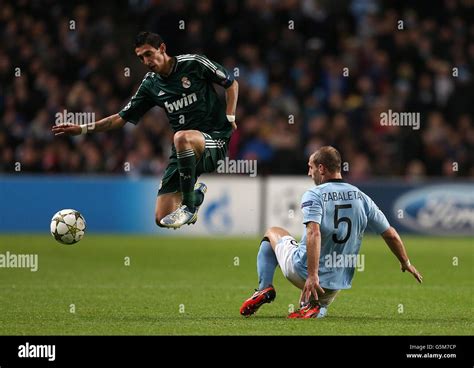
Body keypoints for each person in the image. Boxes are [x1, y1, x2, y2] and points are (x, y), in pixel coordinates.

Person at [52, 31, 239, 229]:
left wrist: (230, 116)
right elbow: (119, 118)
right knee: (162, 218)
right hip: (184, 151)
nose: (145, 60)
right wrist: (82, 129)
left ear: (162, 48)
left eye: (148, 54)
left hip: (214, 140)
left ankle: (189, 206)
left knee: (181, 137)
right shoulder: (151, 84)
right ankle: (195, 195)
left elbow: (231, 83)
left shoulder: (193, 63)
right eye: (140, 57)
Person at [240, 146, 423, 318]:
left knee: (273, 232)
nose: (309, 173)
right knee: (320, 304)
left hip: (306, 274)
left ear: (321, 168)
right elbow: (390, 233)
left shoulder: (315, 194)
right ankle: (315, 307)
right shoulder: (362, 197)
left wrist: (312, 275)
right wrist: (405, 262)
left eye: (310, 167)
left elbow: (314, 233)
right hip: (336, 282)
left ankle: (264, 288)